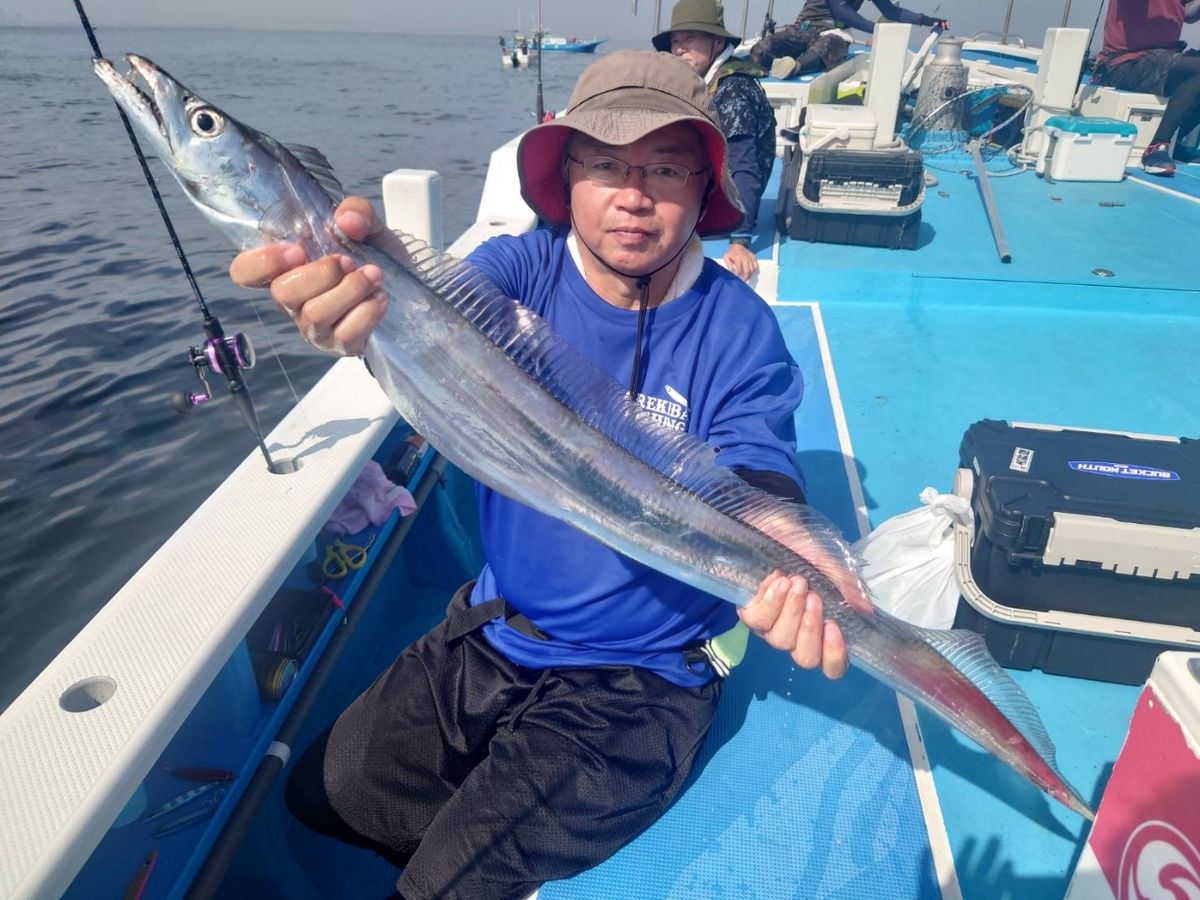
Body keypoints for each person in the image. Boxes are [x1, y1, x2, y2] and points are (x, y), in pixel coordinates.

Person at [229, 50, 850, 900]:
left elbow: (758, 468)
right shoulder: (515, 274)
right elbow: (421, 326)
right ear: (567, 179)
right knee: (322, 800)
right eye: (606, 166)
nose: (634, 196)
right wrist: (355, 305)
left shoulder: (737, 328)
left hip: (640, 678)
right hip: (494, 626)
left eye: (666, 169)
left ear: (706, 191)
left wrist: (786, 553)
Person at [653, 0, 777, 282]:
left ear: (717, 42)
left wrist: (740, 240)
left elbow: (744, 166)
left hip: (731, 200)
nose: (680, 47)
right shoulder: (704, 81)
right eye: (675, 41)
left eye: (690, 37)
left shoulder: (733, 89)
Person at [1095, 0, 1200, 176]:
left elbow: (1187, 14)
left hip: (1165, 58)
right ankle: (1156, 147)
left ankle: (1176, 140)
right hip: (1126, 62)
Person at [750, 0, 948, 80]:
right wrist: (877, 30)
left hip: (832, 32)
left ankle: (793, 67)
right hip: (802, 28)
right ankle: (767, 68)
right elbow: (840, 10)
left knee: (828, 45)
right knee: (762, 48)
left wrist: (927, 20)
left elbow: (892, 11)